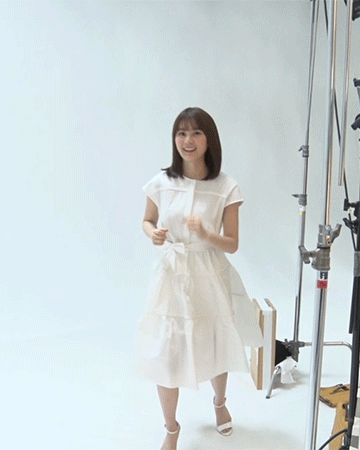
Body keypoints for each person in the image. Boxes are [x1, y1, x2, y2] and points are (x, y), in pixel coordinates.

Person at [135, 107, 263, 450]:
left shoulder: (226, 186)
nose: (187, 140)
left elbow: (232, 244)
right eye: (181, 133)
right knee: (166, 349)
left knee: (215, 340)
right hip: (172, 274)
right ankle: (171, 427)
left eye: (196, 133)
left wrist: (206, 233)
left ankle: (219, 402)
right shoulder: (162, 181)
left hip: (209, 272)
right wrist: (153, 233)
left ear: (209, 139)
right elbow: (147, 220)